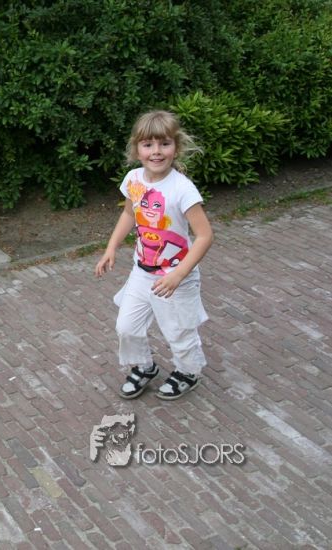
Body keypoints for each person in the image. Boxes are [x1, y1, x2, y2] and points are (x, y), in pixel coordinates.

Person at [94, 110, 213, 400]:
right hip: (143, 271)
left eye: (164, 144)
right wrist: (111, 248)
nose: (156, 151)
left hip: (176, 277)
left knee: (179, 331)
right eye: (148, 145)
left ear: (176, 147)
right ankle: (144, 367)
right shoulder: (133, 179)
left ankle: (188, 372)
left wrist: (178, 274)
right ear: (137, 149)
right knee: (126, 327)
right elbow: (128, 214)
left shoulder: (182, 189)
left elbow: (205, 236)